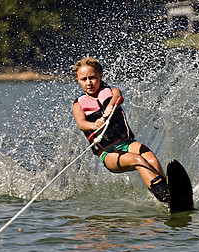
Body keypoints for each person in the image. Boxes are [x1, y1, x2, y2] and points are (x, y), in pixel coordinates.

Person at [72, 57, 170, 204]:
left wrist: (111, 105)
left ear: (101, 75)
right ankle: (166, 199)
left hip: (127, 143)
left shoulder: (111, 92)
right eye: (83, 79)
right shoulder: (79, 105)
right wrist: (94, 125)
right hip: (108, 153)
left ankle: (167, 190)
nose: (89, 82)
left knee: (152, 160)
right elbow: (81, 123)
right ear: (78, 80)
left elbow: (117, 96)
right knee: (138, 160)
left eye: (92, 77)